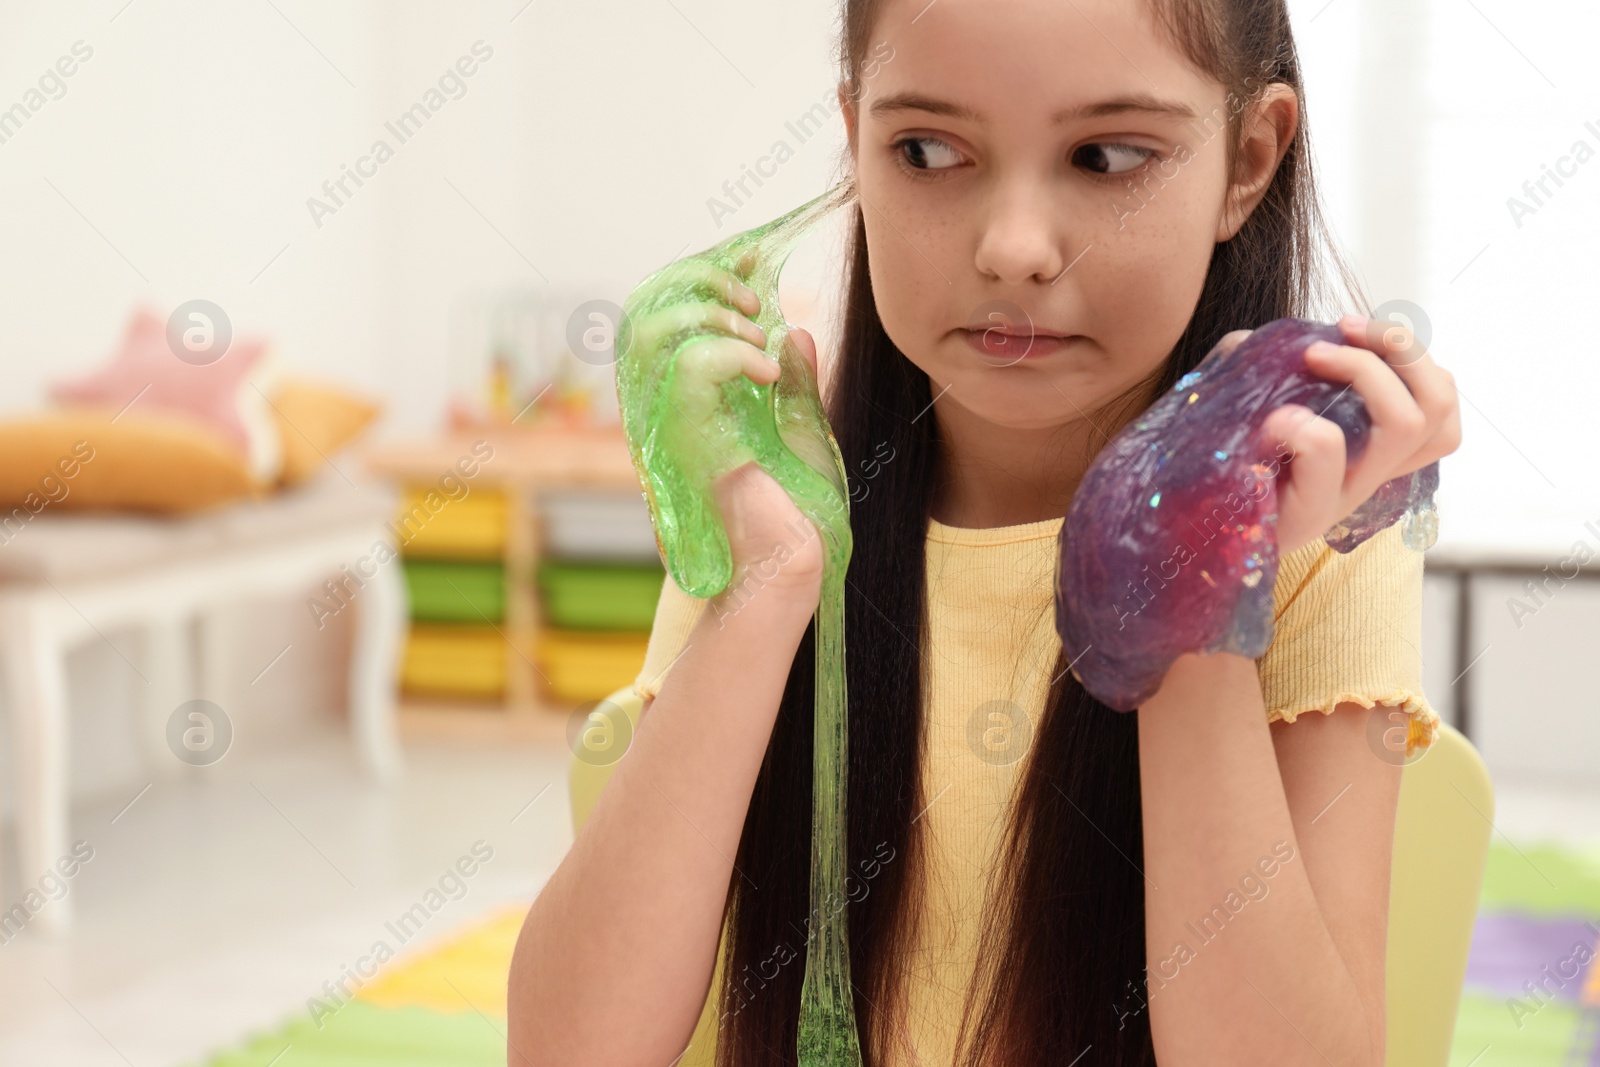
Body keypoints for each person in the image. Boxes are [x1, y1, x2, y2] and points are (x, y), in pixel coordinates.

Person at [508, 0, 1462, 1063]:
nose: (1013, 249)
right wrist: (768, 584)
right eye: (925, 151)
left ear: (1247, 159)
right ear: (857, 147)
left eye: (1103, 156)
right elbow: (569, 1047)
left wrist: (1185, 594)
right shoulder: (781, 496)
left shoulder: (1310, 539)